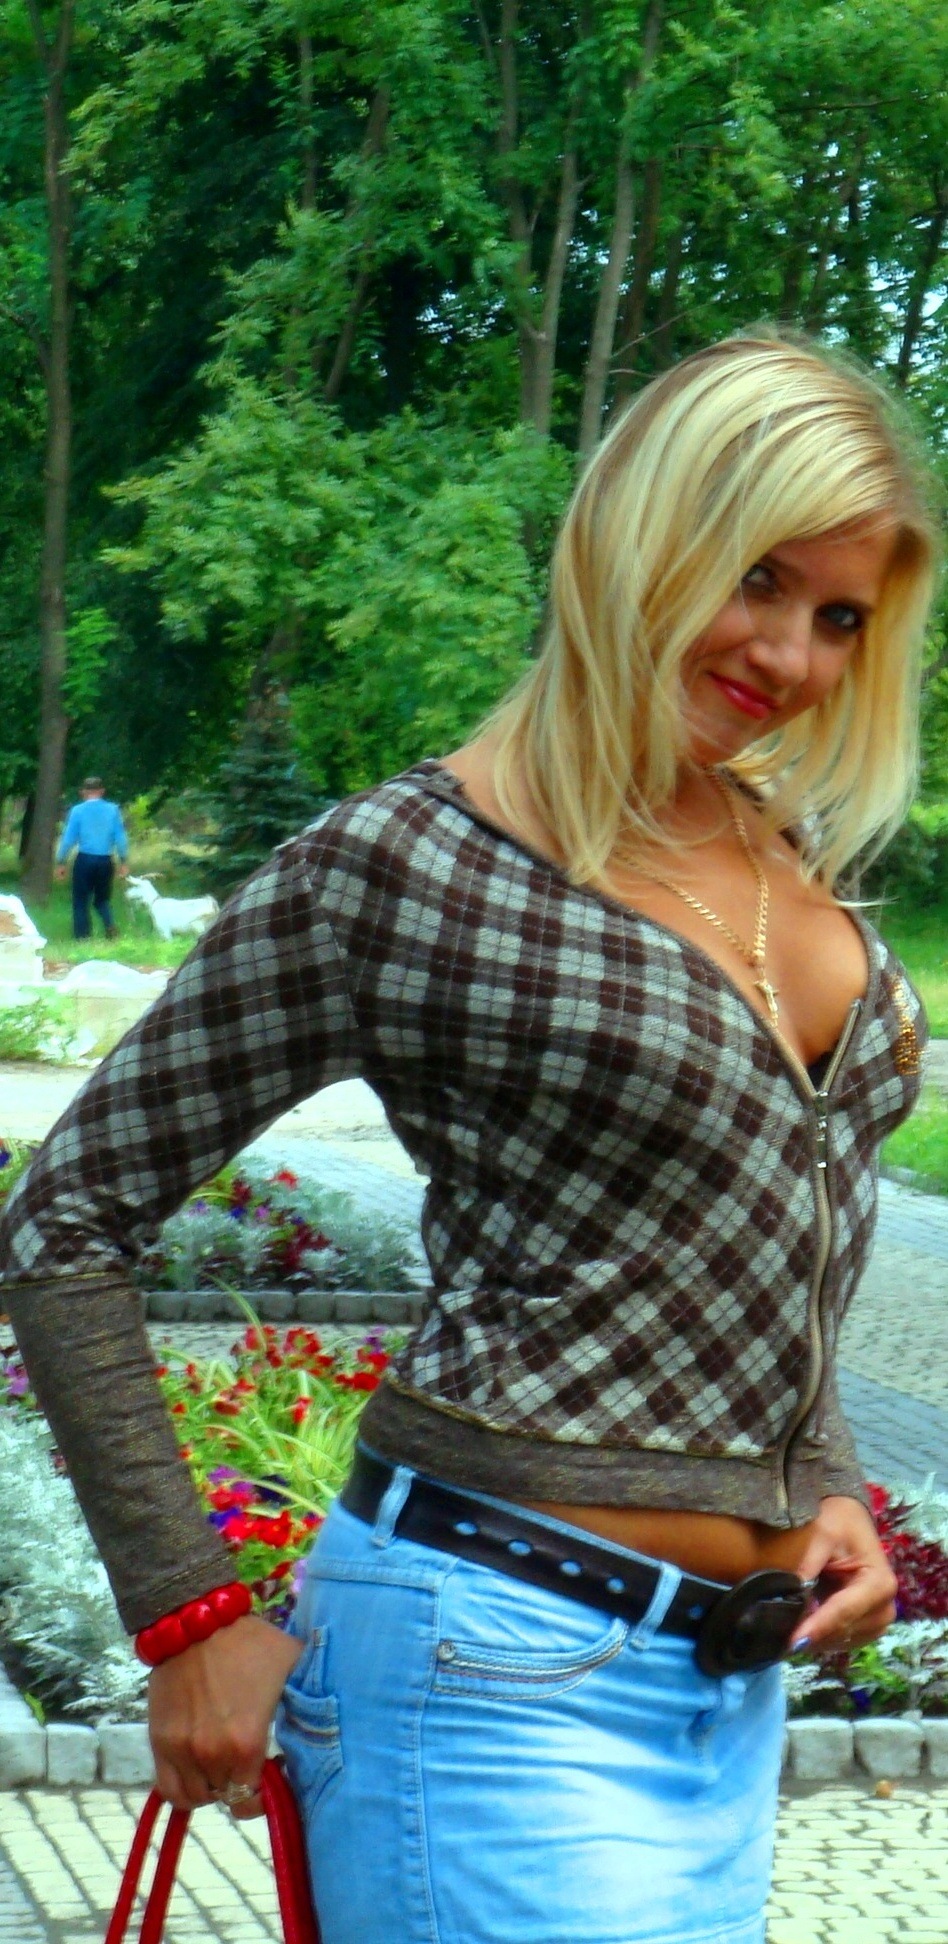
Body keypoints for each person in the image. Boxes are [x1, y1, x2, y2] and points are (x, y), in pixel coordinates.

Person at [0, 332, 938, 1944]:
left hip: (727, 1699)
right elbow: (62, 1221)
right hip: (489, 1675)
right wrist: (186, 1612)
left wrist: (824, 1477)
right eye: (758, 579)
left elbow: (751, 1217)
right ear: (642, 540)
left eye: (841, 616)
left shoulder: (784, 852)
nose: (791, 654)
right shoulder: (402, 865)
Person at [54, 776, 129, 940]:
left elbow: (68, 839)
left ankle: (83, 937)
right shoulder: (113, 810)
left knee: (81, 900)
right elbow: (120, 838)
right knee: (102, 899)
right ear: (102, 791)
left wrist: (61, 862)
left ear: (83, 792)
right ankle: (109, 925)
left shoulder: (77, 811)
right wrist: (123, 861)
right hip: (105, 860)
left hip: (85, 859)